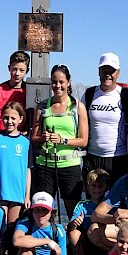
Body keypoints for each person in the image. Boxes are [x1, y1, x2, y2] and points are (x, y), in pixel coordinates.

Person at [30, 64, 89, 220]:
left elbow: (83, 140)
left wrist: (62, 140)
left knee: (73, 213)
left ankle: (72, 242)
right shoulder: (42, 107)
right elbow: (34, 138)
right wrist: (44, 138)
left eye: (61, 82)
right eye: (54, 82)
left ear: (68, 82)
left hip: (70, 166)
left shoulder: (78, 107)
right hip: (45, 166)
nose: (58, 86)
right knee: (43, 211)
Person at [81, 52, 128, 183]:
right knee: (93, 200)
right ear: (99, 72)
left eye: (112, 71)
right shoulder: (89, 94)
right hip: (92, 158)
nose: (107, 75)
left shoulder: (126, 96)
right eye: (104, 70)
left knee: (117, 201)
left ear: (118, 73)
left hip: (118, 159)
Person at [0, 102, 33, 225]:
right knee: (1, 225)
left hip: (18, 194)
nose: (9, 121)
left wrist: (27, 196)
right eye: (6, 118)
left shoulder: (25, 142)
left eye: (13, 118)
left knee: (13, 226)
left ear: (20, 119)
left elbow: (28, 170)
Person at [68, 168, 110, 255]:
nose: (97, 189)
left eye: (100, 186)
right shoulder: (82, 205)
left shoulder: (110, 204)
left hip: (102, 239)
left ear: (106, 187)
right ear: (87, 188)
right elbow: (70, 227)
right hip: (86, 241)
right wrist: (75, 223)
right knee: (74, 234)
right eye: (93, 186)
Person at [0, 51, 30, 141]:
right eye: (14, 69)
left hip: (20, 141)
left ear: (27, 70)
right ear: (9, 68)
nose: (17, 73)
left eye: (21, 70)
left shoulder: (29, 92)